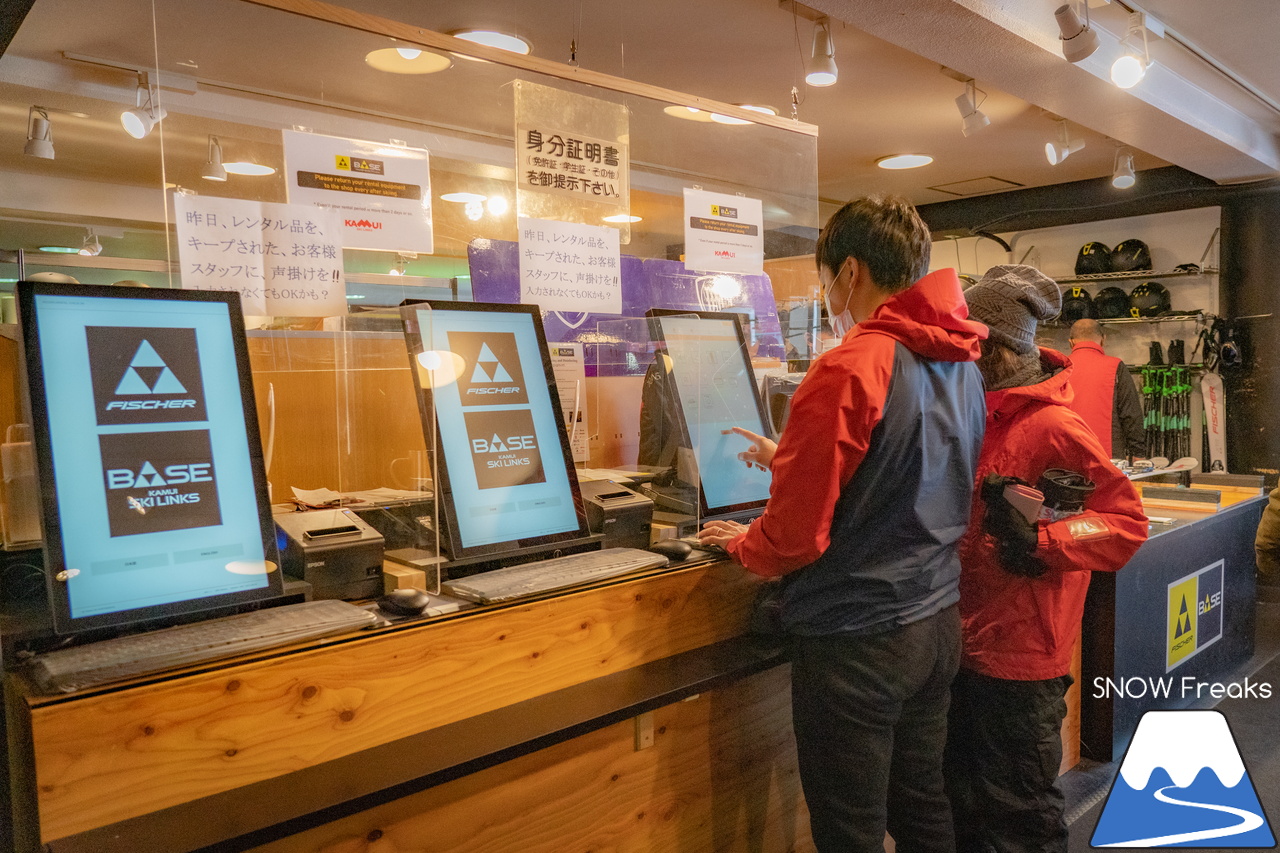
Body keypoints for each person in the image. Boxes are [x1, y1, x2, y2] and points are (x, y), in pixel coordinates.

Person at [698, 196, 988, 853]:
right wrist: (790, 458)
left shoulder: (852, 363)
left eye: (826, 275)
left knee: (850, 830)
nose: (827, 292)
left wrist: (744, 542)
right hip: (936, 620)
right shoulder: (961, 362)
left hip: (859, 638)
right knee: (921, 809)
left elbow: (795, 538)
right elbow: (920, 467)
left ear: (849, 270)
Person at [947, 266, 1148, 853]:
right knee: (967, 813)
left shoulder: (1054, 427)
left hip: (1022, 660)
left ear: (1004, 349)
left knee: (1019, 819)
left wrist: (1043, 540)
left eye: (973, 343)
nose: (961, 355)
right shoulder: (980, 416)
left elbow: (1124, 524)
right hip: (966, 649)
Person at [1065, 318, 1145, 458]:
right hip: (1108, 456)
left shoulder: (1060, 368)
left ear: (1071, 342)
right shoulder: (1116, 367)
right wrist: (1138, 452)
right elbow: (1131, 413)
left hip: (1066, 455)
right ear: (1103, 340)